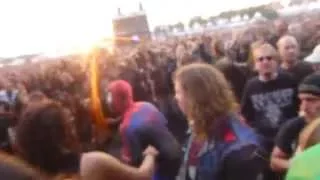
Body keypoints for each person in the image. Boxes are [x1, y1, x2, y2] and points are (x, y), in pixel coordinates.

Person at [16, 100, 160, 180]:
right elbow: (142, 177)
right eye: (69, 122)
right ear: (62, 132)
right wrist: (150, 155)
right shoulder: (92, 164)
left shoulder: (26, 174)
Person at [174, 63, 265, 180]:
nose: (175, 97)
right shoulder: (198, 127)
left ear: (195, 96)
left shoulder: (240, 149)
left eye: (178, 92)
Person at [105, 80, 182, 180]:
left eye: (111, 97)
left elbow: (134, 161)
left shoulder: (126, 127)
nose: (108, 101)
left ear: (119, 99)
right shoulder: (146, 105)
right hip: (177, 154)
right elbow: (162, 124)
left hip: (161, 170)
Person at [271, 73, 320, 172]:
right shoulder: (293, 126)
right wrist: (296, 164)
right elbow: (274, 161)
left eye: (311, 100)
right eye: (301, 100)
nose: (304, 107)